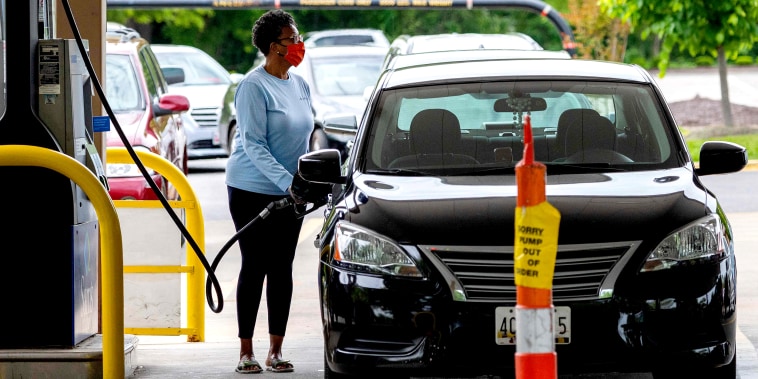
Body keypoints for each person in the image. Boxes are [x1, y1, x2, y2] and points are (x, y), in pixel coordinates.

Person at [225, 9, 312, 374]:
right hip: (251, 188)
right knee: (256, 265)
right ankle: (246, 351)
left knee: (282, 268)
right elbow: (254, 144)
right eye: (292, 39)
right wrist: (287, 184)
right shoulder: (253, 87)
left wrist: (309, 179)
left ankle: (276, 351)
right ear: (274, 46)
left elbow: (305, 138)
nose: (298, 45)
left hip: (292, 191)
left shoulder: (299, 84)